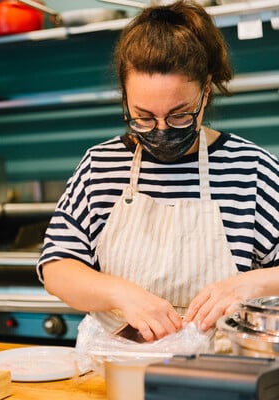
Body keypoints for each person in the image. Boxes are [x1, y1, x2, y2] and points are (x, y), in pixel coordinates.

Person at [38, 1, 279, 343]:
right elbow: (57, 268)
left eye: (180, 115)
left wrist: (251, 284)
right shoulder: (101, 165)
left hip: (221, 375)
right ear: (125, 99)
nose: (162, 129)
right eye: (144, 117)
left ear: (205, 93)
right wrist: (122, 294)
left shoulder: (251, 169)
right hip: (119, 370)